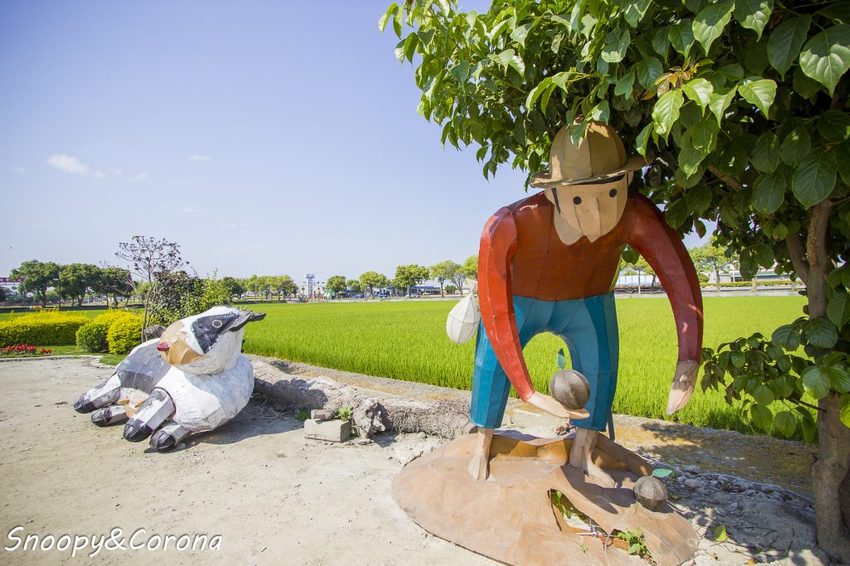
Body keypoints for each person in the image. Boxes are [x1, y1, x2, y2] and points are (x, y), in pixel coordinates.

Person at [469, 121, 703, 482]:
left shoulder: (636, 216)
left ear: (626, 183)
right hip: (518, 301)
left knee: (601, 368)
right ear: (552, 194)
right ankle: (481, 446)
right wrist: (528, 391)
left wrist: (689, 356)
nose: (596, 216)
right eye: (578, 199)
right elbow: (495, 311)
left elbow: (678, 274)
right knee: (492, 364)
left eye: (610, 195)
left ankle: (582, 454)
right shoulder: (508, 225)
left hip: (588, 301)